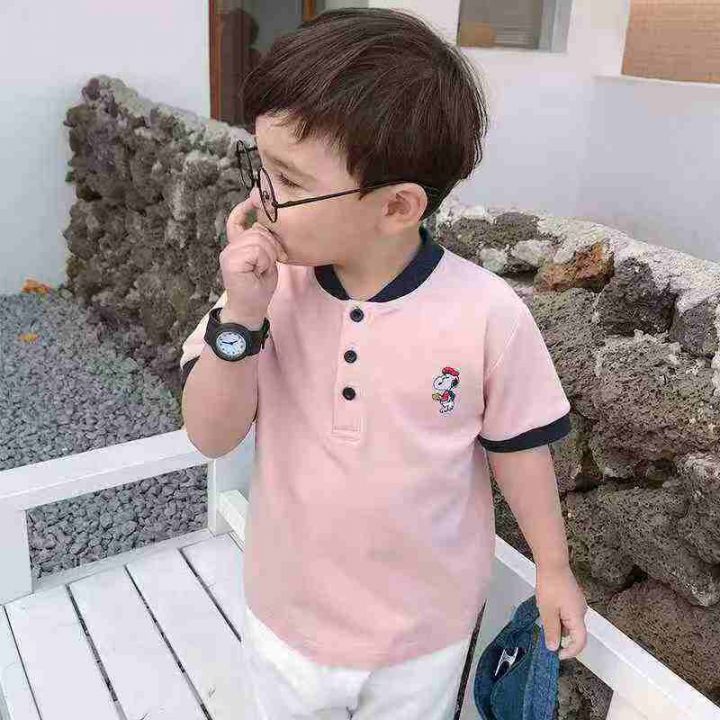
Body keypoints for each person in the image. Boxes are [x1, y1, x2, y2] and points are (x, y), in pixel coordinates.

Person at [180, 8, 588, 719]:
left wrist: (553, 569)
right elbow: (210, 435)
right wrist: (241, 317)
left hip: (424, 637)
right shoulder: (266, 291)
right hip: (286, 618)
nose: (259, 198)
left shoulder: (487, 315)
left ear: (398, 206)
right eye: (260, 167)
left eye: (288, 181)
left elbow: (518, 448)